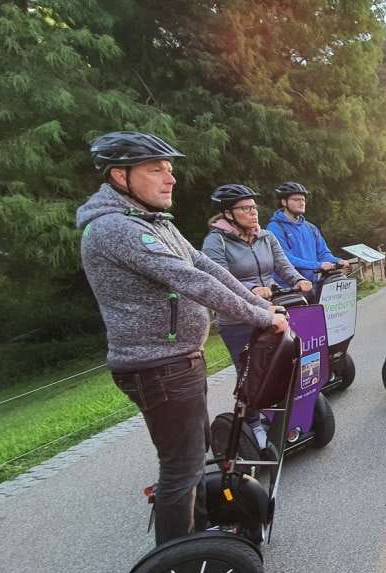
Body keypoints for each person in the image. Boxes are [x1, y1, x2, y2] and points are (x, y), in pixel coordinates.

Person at [76, 132, 289, 545]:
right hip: (157, 365)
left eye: (170, 169)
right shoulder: (117, 229)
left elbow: (207, 267)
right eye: (156, 169)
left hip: (177, 359)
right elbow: (189, 281)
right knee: (181, 468)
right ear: (120, 175)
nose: (169, 178)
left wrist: (261, 310)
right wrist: (258, 314)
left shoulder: (153, 223)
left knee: (190, 462)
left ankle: (197, 535)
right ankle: (181, 560)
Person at [202, 183, 310, 451]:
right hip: (238, 319)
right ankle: (254, 424)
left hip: (272, 312)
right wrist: (251, 289)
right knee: (250, 374)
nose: (253, 212)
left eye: (254, 207)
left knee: (282, 365)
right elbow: (219, 279)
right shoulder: (215, 241)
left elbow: (283, 264)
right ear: (228, 212)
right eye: (246, 208)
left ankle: (281, 414)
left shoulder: (265, 236)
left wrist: (297, 279)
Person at [265, 181, 348, 286]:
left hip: (314, 284)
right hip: (291, 288)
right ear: (284, 202)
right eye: (296, 199)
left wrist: (337, 260)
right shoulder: (274, 228)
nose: (302, 203)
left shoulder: (310, 227)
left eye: (303, 200)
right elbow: (285, 259)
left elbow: (323, 253)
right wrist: (318, 265)